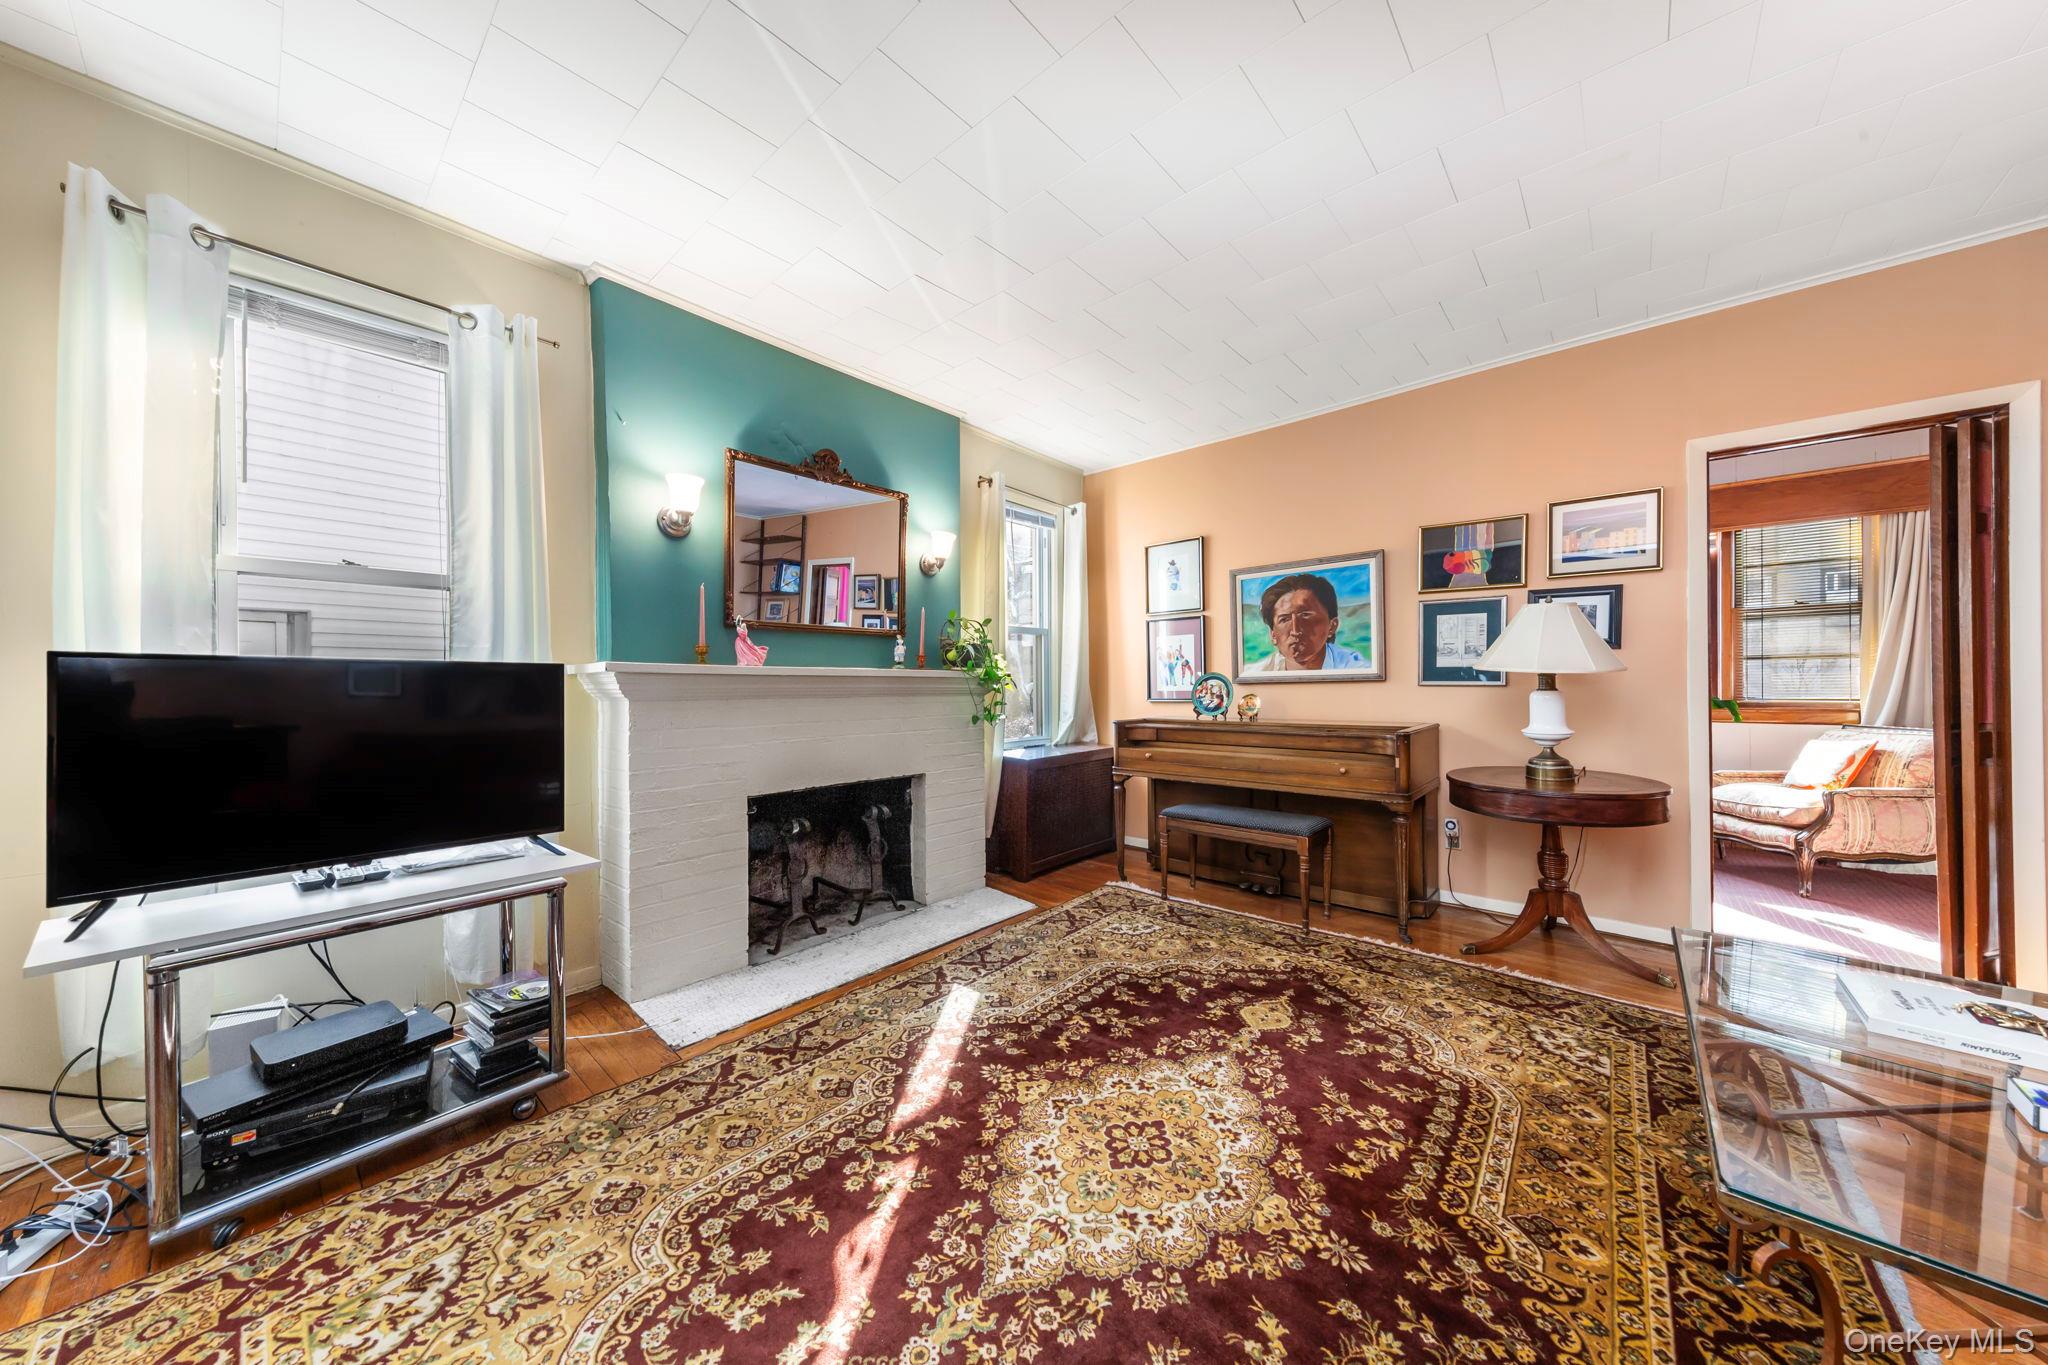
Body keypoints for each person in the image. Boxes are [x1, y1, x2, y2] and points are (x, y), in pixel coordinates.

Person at [1248, 572, 1366, 672]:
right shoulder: (1256, 672)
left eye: (1305, 616)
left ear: (1332, 626)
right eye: (1284, 619)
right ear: (1273, 635)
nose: (1295, 631)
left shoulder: (1356, 668)